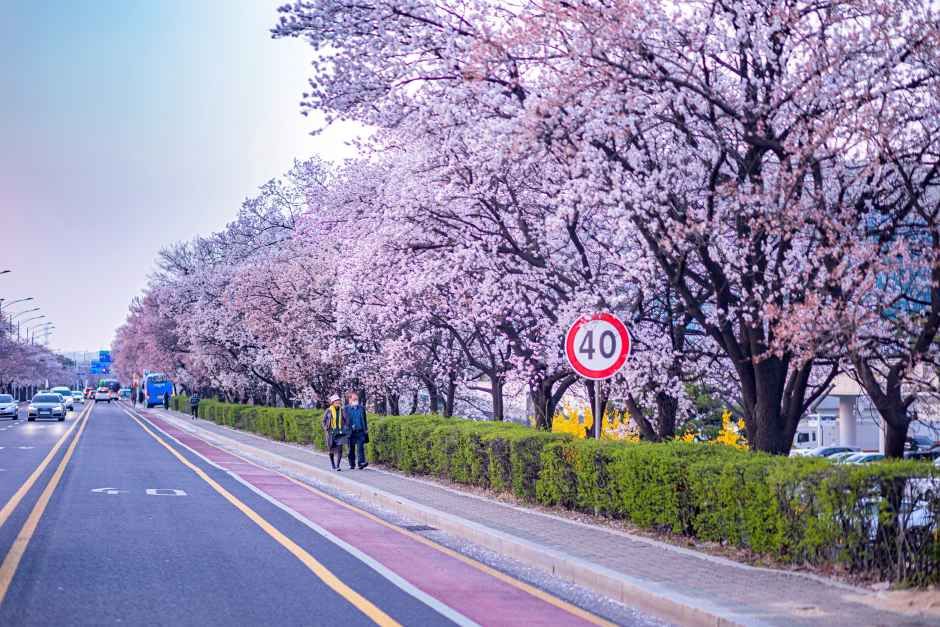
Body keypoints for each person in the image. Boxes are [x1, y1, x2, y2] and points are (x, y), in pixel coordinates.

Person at [344, 391, 369, 470]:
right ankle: (352, 463)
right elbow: (343, 421)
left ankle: (361, 463)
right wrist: (349, 426)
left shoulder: (361, 408)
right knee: (351, 449)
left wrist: (365, 429)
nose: (356, 401)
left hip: (360, 431)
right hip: (351, 432)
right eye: (354, 399)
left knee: (360, 448)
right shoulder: (346, 409)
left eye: (356, 399)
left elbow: (364, 419)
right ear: (349, 400)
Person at [322, 394, 347, 471]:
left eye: (339, 402)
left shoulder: (342, 410)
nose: (338, 403)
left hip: (340, 432)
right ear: (332, 403)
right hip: (331, 432)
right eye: (336, 402)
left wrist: (345, 428)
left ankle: (338, 465)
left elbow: (345, 420)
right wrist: (326, 428)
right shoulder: (328, 411)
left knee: (340, 449)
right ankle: (333, 464)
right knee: (331, 449)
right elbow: (323, 421)